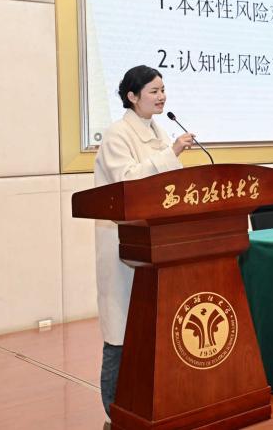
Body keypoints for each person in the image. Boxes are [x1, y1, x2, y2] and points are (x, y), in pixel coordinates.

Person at [93, 66, 195, 418]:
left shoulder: (158, 131)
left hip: (158, 243)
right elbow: (127, 183)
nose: (162, 96)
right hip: (124, 244)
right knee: (121, 331)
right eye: (154, 91)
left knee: (153, 328)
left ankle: (153, 404)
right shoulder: (117, 135)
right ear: (132, 96)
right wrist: (172, 153)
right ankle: (114, 410)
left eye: (163, 89)